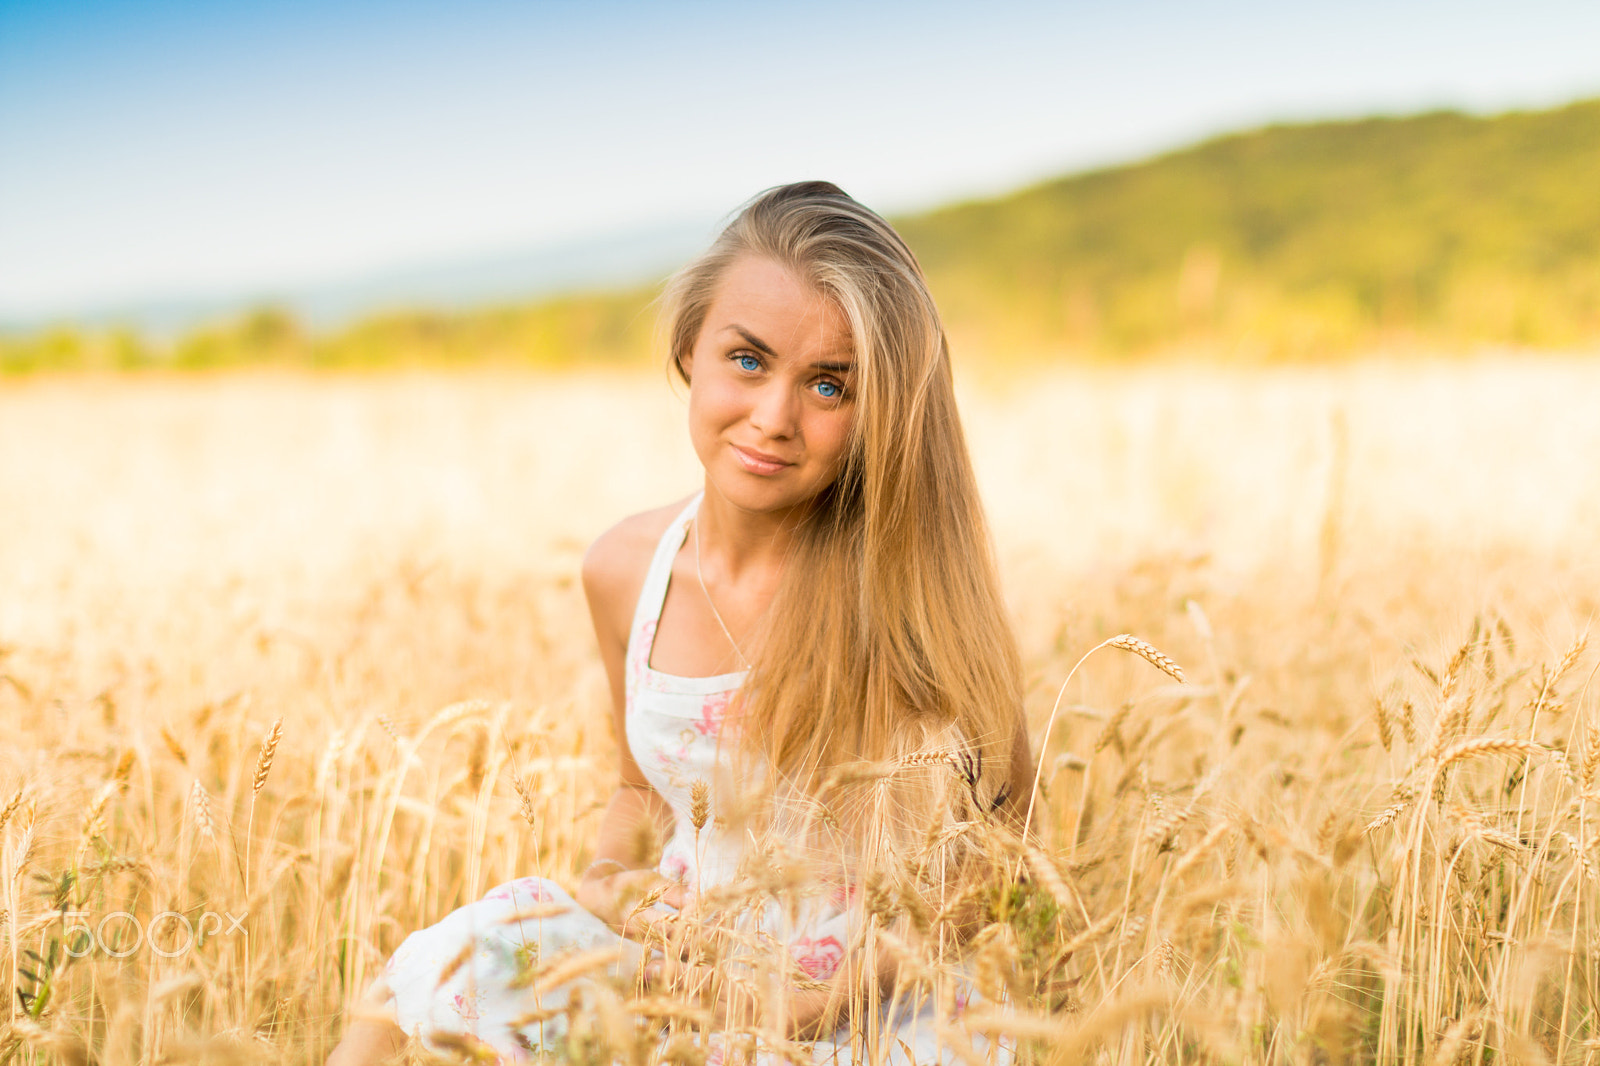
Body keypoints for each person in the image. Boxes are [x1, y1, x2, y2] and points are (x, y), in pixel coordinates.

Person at [327, 181, 1032, 1065]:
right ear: (688, 350)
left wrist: (814, 1001)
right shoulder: (625, 570)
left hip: (868, 1000)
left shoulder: (906, 591)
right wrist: (611, 889)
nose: (773, 418)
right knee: (438, 972)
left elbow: (996, 852)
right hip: (683, 970)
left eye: (827, 385)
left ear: (879, 412)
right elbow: (640, 793)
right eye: (747, 360)